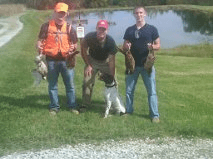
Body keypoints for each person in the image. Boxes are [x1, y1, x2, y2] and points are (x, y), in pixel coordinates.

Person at [36, 2, 79, 115]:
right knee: (52, 85)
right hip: (51, 61)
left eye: (63, 13)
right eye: (59, 12)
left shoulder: (70, 28)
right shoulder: (46, 26)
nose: (61, 15)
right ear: (54, 12)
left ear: (67, 14)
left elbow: (75, 45)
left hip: (67, 61)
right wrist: (38, 46)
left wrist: (73, 48)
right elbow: (40, 42)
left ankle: (72, 106)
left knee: (70, 85)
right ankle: (54, 107)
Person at [122, 6, 161, 123]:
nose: (139, 15)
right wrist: (126, 47)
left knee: (151, 91)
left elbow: (158, 45)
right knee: (129, 90)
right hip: (132, 65)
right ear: (134, 15)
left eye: (141, 13)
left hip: (147, 65)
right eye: (136, 13)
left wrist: (152, 47)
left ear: (145, 14)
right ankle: (128, 111)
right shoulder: (129, 30)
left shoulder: (152, 29)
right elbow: (124, 46)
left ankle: (154, 115)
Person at [80, 20, 117, 111]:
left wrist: (112, 75)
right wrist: (88, 65)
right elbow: (83, 50)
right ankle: (85, 104)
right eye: (99, 29)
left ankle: (114, 104)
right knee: (87, 81)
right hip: (92, 61)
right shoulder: (89, 37)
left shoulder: (111, 41)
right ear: (96, 28)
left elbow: (112, 60)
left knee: (113, 83)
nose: (101, 31)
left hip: (105, 62)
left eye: (103, 29)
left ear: (107, 30)